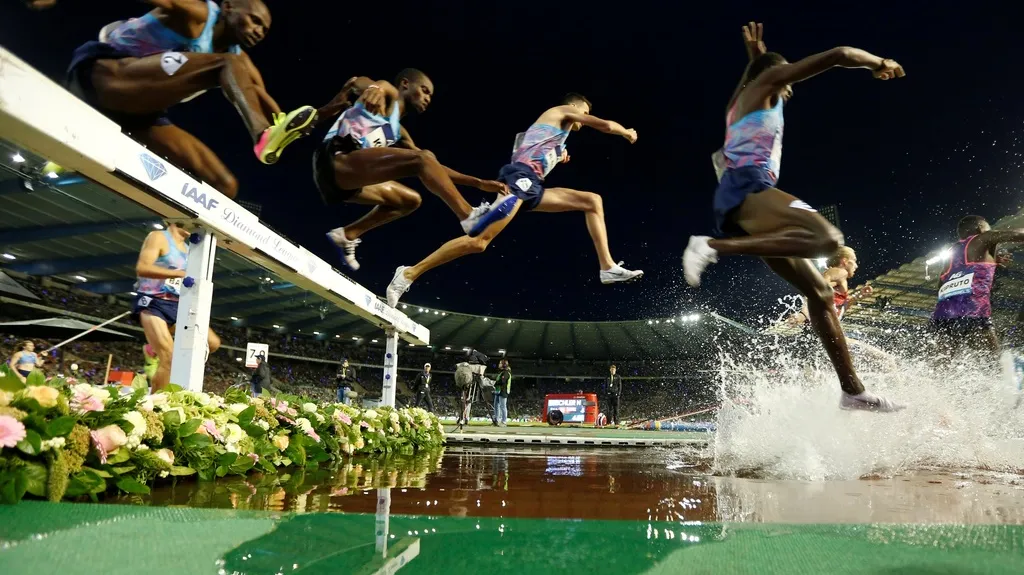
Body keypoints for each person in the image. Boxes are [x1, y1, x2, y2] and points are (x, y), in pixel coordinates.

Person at [682, 22, 905, 412]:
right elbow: (838, 55)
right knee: (829, 240)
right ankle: (711, 246)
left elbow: (760, 75)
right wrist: (878, 62)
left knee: (819, 293)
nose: (790, 86)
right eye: (784, 76)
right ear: (773, 74)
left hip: (742, 196)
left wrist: (755, 56)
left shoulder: (746, 97)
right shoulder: (768, 83)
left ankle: (852, 391)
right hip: (749, 188)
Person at [385, 93, 643, 306]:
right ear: (574, 107)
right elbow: (604, 125)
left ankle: (607, 267)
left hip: (533, 187)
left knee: (592, 201)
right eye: (584, 113)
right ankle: (408, 273)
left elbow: (525, 141)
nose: (584, 120)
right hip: (520, 178)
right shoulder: (562, 110)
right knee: (479, 242)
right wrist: (625, 131)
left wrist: (557, 154)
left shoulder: (557, 132)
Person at [65, 0, 317, 198]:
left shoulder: (240, 61)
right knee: (226, 64)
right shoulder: (198, 14)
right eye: (254, 21)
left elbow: (262, 99)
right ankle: (262, 137)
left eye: (264, 29)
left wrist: (289, 126)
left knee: (224, 185)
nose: (259, 32)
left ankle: (172, 235)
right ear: (228, 7)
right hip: (101, 76)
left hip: (139, 113)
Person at [314, 70, 516, 270]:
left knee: (410, 200)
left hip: (345, 184)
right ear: (405, 84)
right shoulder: (388, 93)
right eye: (425, 90)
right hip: (336, 159)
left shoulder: (399, 132)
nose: (428, 98)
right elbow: (360, 81)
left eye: (430, 96)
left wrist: (478, 183)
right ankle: (469, 215)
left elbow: (432, 167)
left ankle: (346, 235)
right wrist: (373, 87)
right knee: (422, 158)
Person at [133, 222, 221, 391]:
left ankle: (157, 349)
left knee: (212, 343)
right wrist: (179, 274)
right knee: (170, 358)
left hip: (178, 305)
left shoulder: (190, 249)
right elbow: (142, 268)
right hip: (153, 302)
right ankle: (156, 402)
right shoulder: (158, 237)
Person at [931, 215, 1024, 357]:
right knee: (993, 361)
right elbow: (1017, 234)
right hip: (973, 310)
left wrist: (991, 262)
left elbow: (940, 286)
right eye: (988, 228)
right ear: (980, 228)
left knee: (942, 362)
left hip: (943, 314)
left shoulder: (951, 253)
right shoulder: (983, 238)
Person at [788, 246, 873, 325]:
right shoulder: (841, 272)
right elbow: (815, 290)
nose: (856, 266)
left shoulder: (839, 279)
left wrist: (858, 296)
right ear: (844, 261)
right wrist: (803, 314)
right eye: (854, 260)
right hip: (819, 325)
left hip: (819, 325)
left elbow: (840, 308)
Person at [492, 359, 512, 427]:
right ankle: (497, 421)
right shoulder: (502, 372)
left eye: (500, 363)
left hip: (503, 391)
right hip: (498, 391)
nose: (499, 364)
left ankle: (504, 421)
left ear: (504, 365)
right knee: (496, 406)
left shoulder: (506, 373)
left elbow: (502, 382)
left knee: (503, 406)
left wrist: (494, 383)